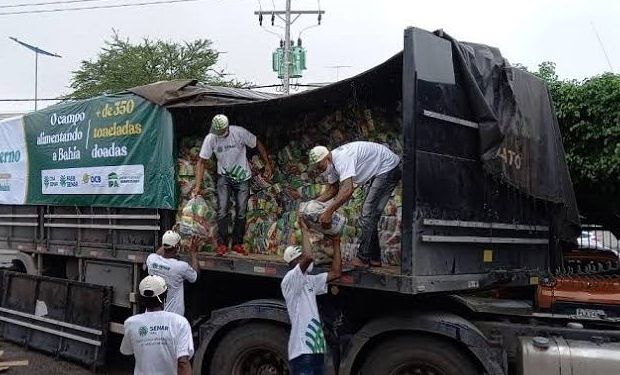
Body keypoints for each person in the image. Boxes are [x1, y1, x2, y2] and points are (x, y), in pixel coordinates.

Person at [308, 141, 401, 269]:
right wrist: (312, 205)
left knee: (367, 212)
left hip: (388, 167)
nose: (320, 170)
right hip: (380, 170)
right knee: (369, 215)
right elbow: (332, 190)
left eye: (320, 166)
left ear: (327, 157)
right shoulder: (331, 166)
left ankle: (363, 258)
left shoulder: (341, 158)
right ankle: (374, 258)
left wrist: (328, 212)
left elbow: (347, 190)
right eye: (317, 168)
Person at [193, 114, 273, 256]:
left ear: (226, 128)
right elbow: (201, 162)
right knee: (223, 209)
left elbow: (257, 143)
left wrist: (267, 163)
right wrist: (197, 186)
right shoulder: (211, 138)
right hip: (224, 177)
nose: (217, 135)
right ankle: (222, 244)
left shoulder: (239, 133)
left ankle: (237, 243)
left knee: (241, 211)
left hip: (243, 177)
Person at [281, 217, 342, 375]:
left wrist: (336, 242)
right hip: (302, 351)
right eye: (299, 257)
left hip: (316, 349)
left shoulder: (310, 281)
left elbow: (336, 273)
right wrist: (305, 230)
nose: (305, 259)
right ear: (294, 263)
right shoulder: (290, 281)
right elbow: (308, 257)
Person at [120, 275, 194, 375]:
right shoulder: (179, 322)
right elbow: (183, 363)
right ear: (165, 297)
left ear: (141, 299)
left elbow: (127, 351)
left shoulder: (131, 323)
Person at [146, 230, 199, 316]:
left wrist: (168, 240)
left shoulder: (151, 260)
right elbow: (195, 277)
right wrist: (193, 253)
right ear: (177, 247)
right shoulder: (180, 267)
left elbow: (158, 253)